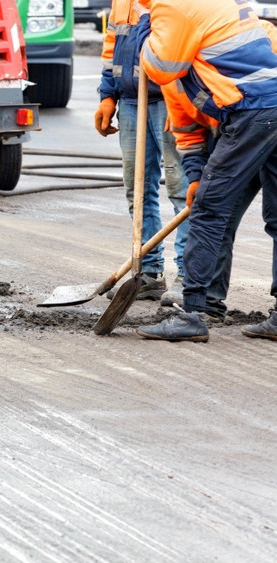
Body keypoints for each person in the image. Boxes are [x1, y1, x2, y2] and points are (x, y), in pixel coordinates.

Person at [135, 0, 277, 342]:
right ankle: (215, 305)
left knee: (209, 213)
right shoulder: (207, 19)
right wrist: (196, 176)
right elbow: (186, 129)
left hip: (252, 112)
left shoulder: (172, 7)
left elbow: (161, 66)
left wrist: (144, 34)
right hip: (261, 111)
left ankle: (193, 313)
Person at [95, 0, 189, 306]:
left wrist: (182, 102)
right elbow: (112, 50)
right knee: (137, 189)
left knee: (182, 190)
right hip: (131, 102)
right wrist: (107, 96)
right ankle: (149, 273)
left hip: (170, 100)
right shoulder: (122, 2)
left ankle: (189, 278)